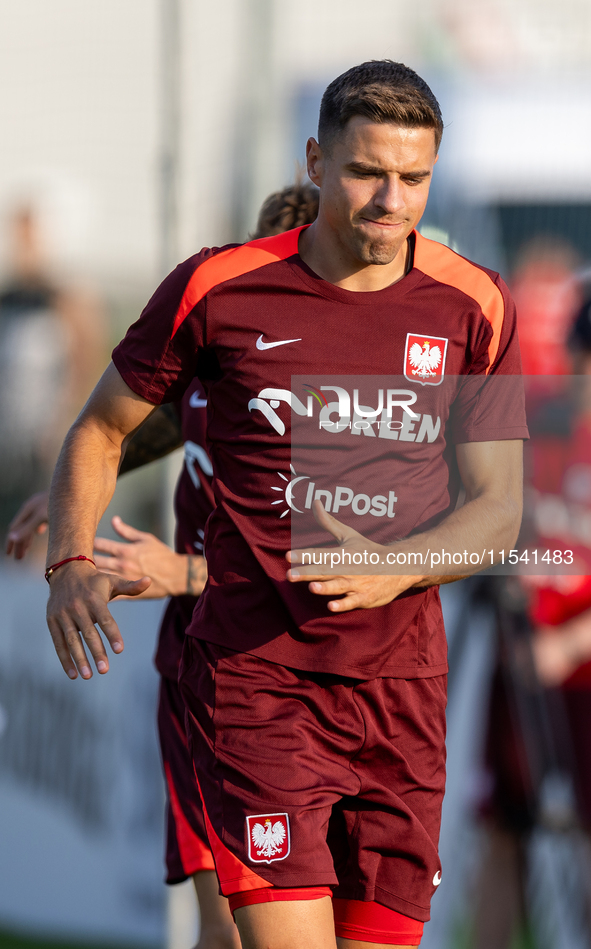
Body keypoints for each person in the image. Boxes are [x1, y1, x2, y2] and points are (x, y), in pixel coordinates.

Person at [44, 61, 526, 949]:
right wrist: (70, 556)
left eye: (413, 179)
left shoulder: (477, 305)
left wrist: (394, 565)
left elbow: (498, 509)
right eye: (365, 172)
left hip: (401, 697)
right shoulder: (215, 288)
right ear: (314, 160)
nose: (390, 200)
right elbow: (104, 429)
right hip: (258, 685)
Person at [8, 183, 319, 949]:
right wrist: (70, 496)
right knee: (221, 922)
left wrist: (182, 574)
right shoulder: (231, 353)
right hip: (196, 668)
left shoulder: (334, 402)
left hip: (289, 683)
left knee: (273, 924)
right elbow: (153, 424)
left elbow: (326, 575)